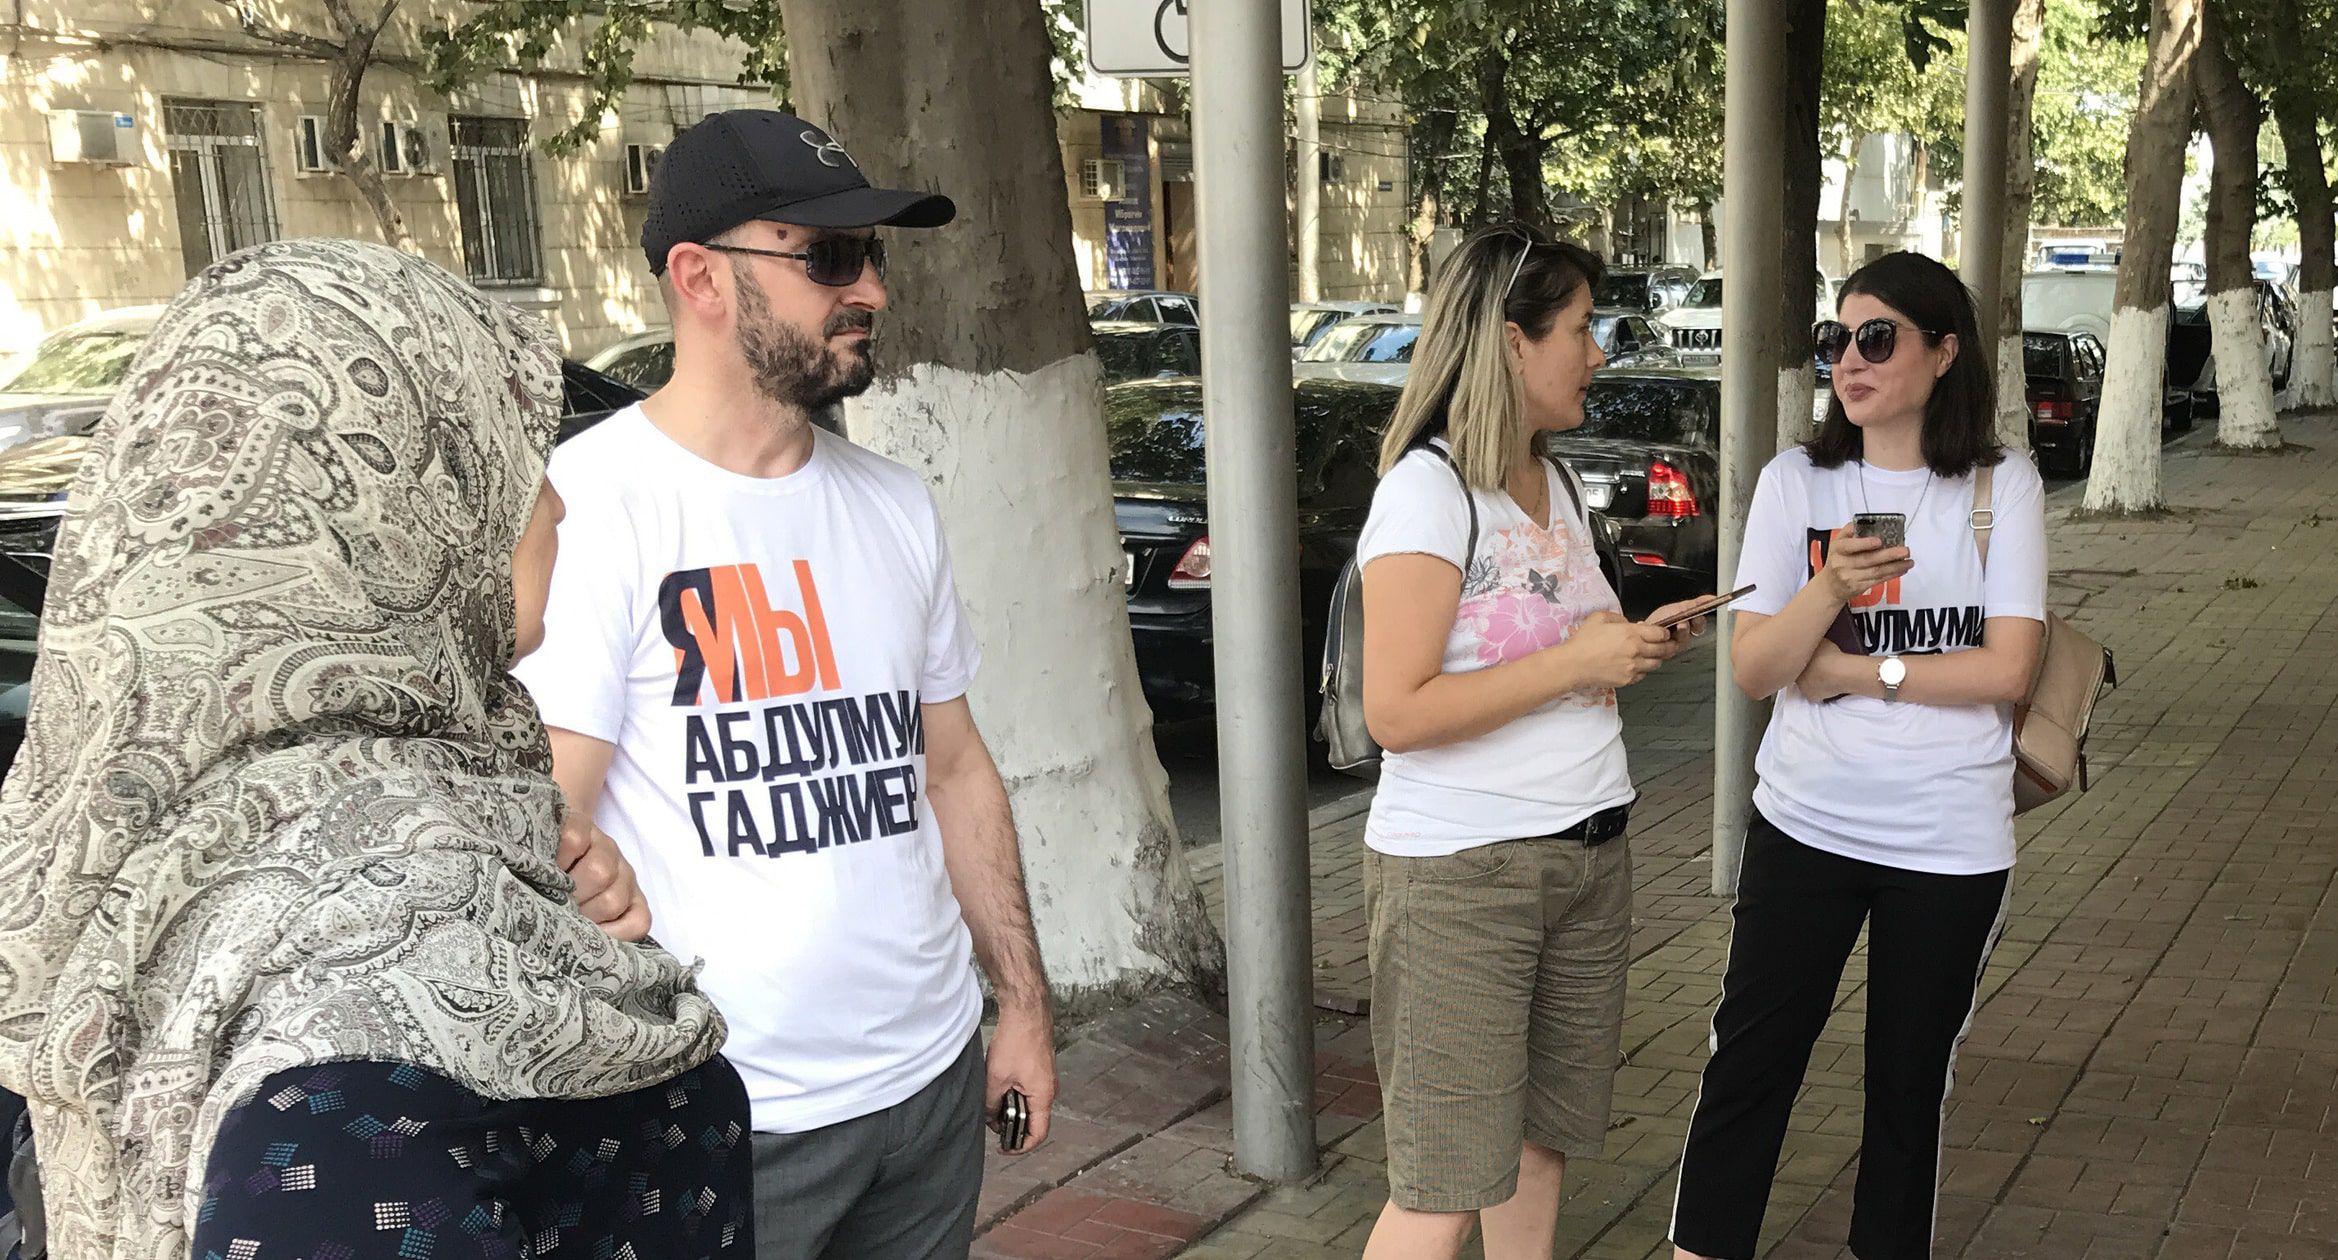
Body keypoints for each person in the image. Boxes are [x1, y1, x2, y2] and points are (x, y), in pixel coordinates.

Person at [0, 238, 747, 1260]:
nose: (557, 503)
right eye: (505, 459)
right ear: (394, 510)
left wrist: (534, 896)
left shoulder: (211, 838)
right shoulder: (351, 1038)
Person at [513, 109, 1055, 1260]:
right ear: (699, 277)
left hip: (929, 1088)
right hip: (726, 1113)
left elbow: (954, 770)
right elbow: (547, 825)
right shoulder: (590, 506)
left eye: (873, 255)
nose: (872, 290)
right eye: (829, 256)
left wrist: (1020, 1005)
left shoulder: (895, 504)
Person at [1670, 251, 2047, 1260]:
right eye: (1835, 338)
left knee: (1908, 1089)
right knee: (1750, 1067)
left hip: (1948, 837)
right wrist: (1830, 589)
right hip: (1806, 821)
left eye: (1877, 338)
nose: (1850, 359)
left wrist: (1854, 672)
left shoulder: (1999, 485)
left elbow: (2009, 668)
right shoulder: (1797, 481)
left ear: (1944, 351)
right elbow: (1757, 668)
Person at [1353, 224, 1711, 1260]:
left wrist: (1622, 646)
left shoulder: (1550, 480)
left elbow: (1552, 649)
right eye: (1580, 328)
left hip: (1588, 854)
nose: (1598, 352)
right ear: (1513, 341)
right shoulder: (1425, 492)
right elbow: (1396, 712)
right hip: (1464, 875)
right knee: (1444, 1186)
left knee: (1539, 1145)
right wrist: (1573, 663)